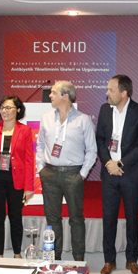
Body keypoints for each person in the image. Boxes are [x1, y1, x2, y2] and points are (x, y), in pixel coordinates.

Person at [96, 75, 138, 274]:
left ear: (124, 93)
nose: (107, 93)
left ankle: (132, 260)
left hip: (131, 173)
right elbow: (100, 139)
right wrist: (108, 163)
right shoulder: (105, 110)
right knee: (108, 218)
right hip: (109, 173)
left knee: (132, 217)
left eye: (111, 90)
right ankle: (109, 260)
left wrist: (120, 163)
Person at [36, 81, 97, 261]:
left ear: (65, 96)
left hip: (73, 175)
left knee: (76, 218)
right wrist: (41, 168)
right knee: (52, 218)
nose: (50, 95)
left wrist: (82, 174)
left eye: (54, 92)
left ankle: (79, 259)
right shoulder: (46, 117)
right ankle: (55, 257)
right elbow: (40, 145)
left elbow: (92, 150)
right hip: (49, 173)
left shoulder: (83, 120)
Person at [0, 96, 35, 258]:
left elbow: (29, 160)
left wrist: (29, 187)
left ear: (18, 110)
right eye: (2, 107)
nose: (5, 111)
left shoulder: (25, 130)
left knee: (16, 217)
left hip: (16, 178)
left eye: (9, 107)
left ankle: (17, 253)